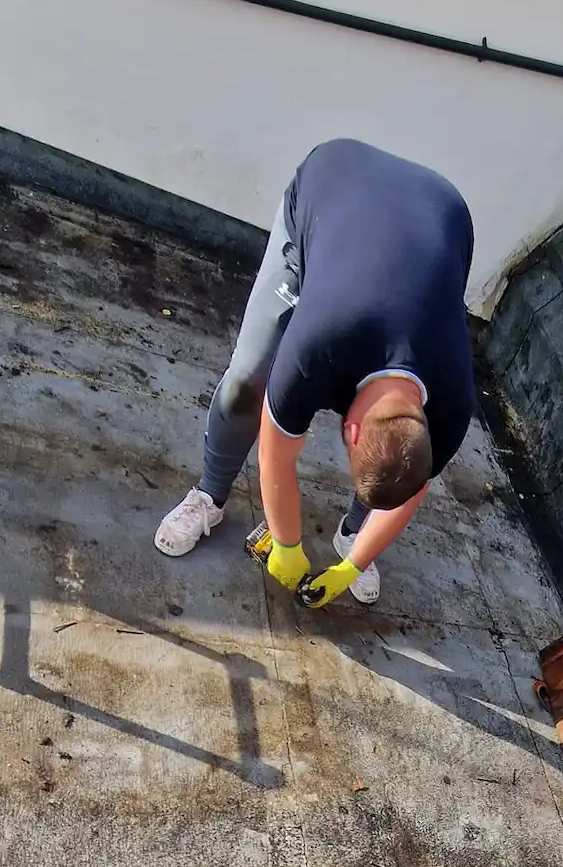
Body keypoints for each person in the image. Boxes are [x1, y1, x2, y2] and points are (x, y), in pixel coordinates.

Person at [154, 139, 476, 610]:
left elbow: (410, 490)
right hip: (331, 184)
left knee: (393, 469)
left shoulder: (453, 405)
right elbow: (275, 452)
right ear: (349, 427)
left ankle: (355, 532)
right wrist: (285, 545)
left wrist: (352, 566)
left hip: (442, 217)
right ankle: (209, 494)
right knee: (249, 378)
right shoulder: (317, 346)